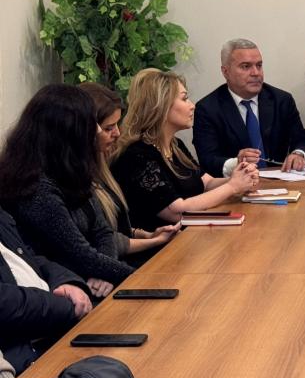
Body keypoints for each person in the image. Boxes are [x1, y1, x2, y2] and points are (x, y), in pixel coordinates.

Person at [0, 85, 133, 287]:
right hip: (65, 288)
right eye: (91, 123)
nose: (97, 130)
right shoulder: (37, 189)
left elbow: (103, 231)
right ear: (67, 132)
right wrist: (139, 276)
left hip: (91, 277)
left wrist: (106, 273)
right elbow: (81, 255)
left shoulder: (71, 169)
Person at [111, 69, 258, 230]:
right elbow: (177, 212)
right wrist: (232, 187)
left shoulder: (175, 145)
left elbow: (207, 182)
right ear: (161, 105)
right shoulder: (137, 155)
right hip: (165, 243)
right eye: (184, 98)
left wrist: (240, 177)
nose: (192, 106)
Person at [78, 83, 180, 268]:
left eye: (117, 125)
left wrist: (145, 235)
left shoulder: (100, 165)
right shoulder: (134, 156)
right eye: (108, 128)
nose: (117, 133)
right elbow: (99, 241)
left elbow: (116, 228)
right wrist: (152, 241)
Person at [193, 39, 305, 177]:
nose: (256, 73)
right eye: (246, 66)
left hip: (280, 181)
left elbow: (303, 142)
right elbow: (207, 159)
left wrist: (299, 154)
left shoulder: (281, 100)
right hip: (233, 185)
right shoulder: (208, 109)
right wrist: (236, 163)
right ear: (226, 72)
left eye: (259, 65)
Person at [1, 204, 90, 377]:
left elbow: (31, 257)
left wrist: (67, 282)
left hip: (57, 327)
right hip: (23, 357)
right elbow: (6, 303)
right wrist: (66, 306)